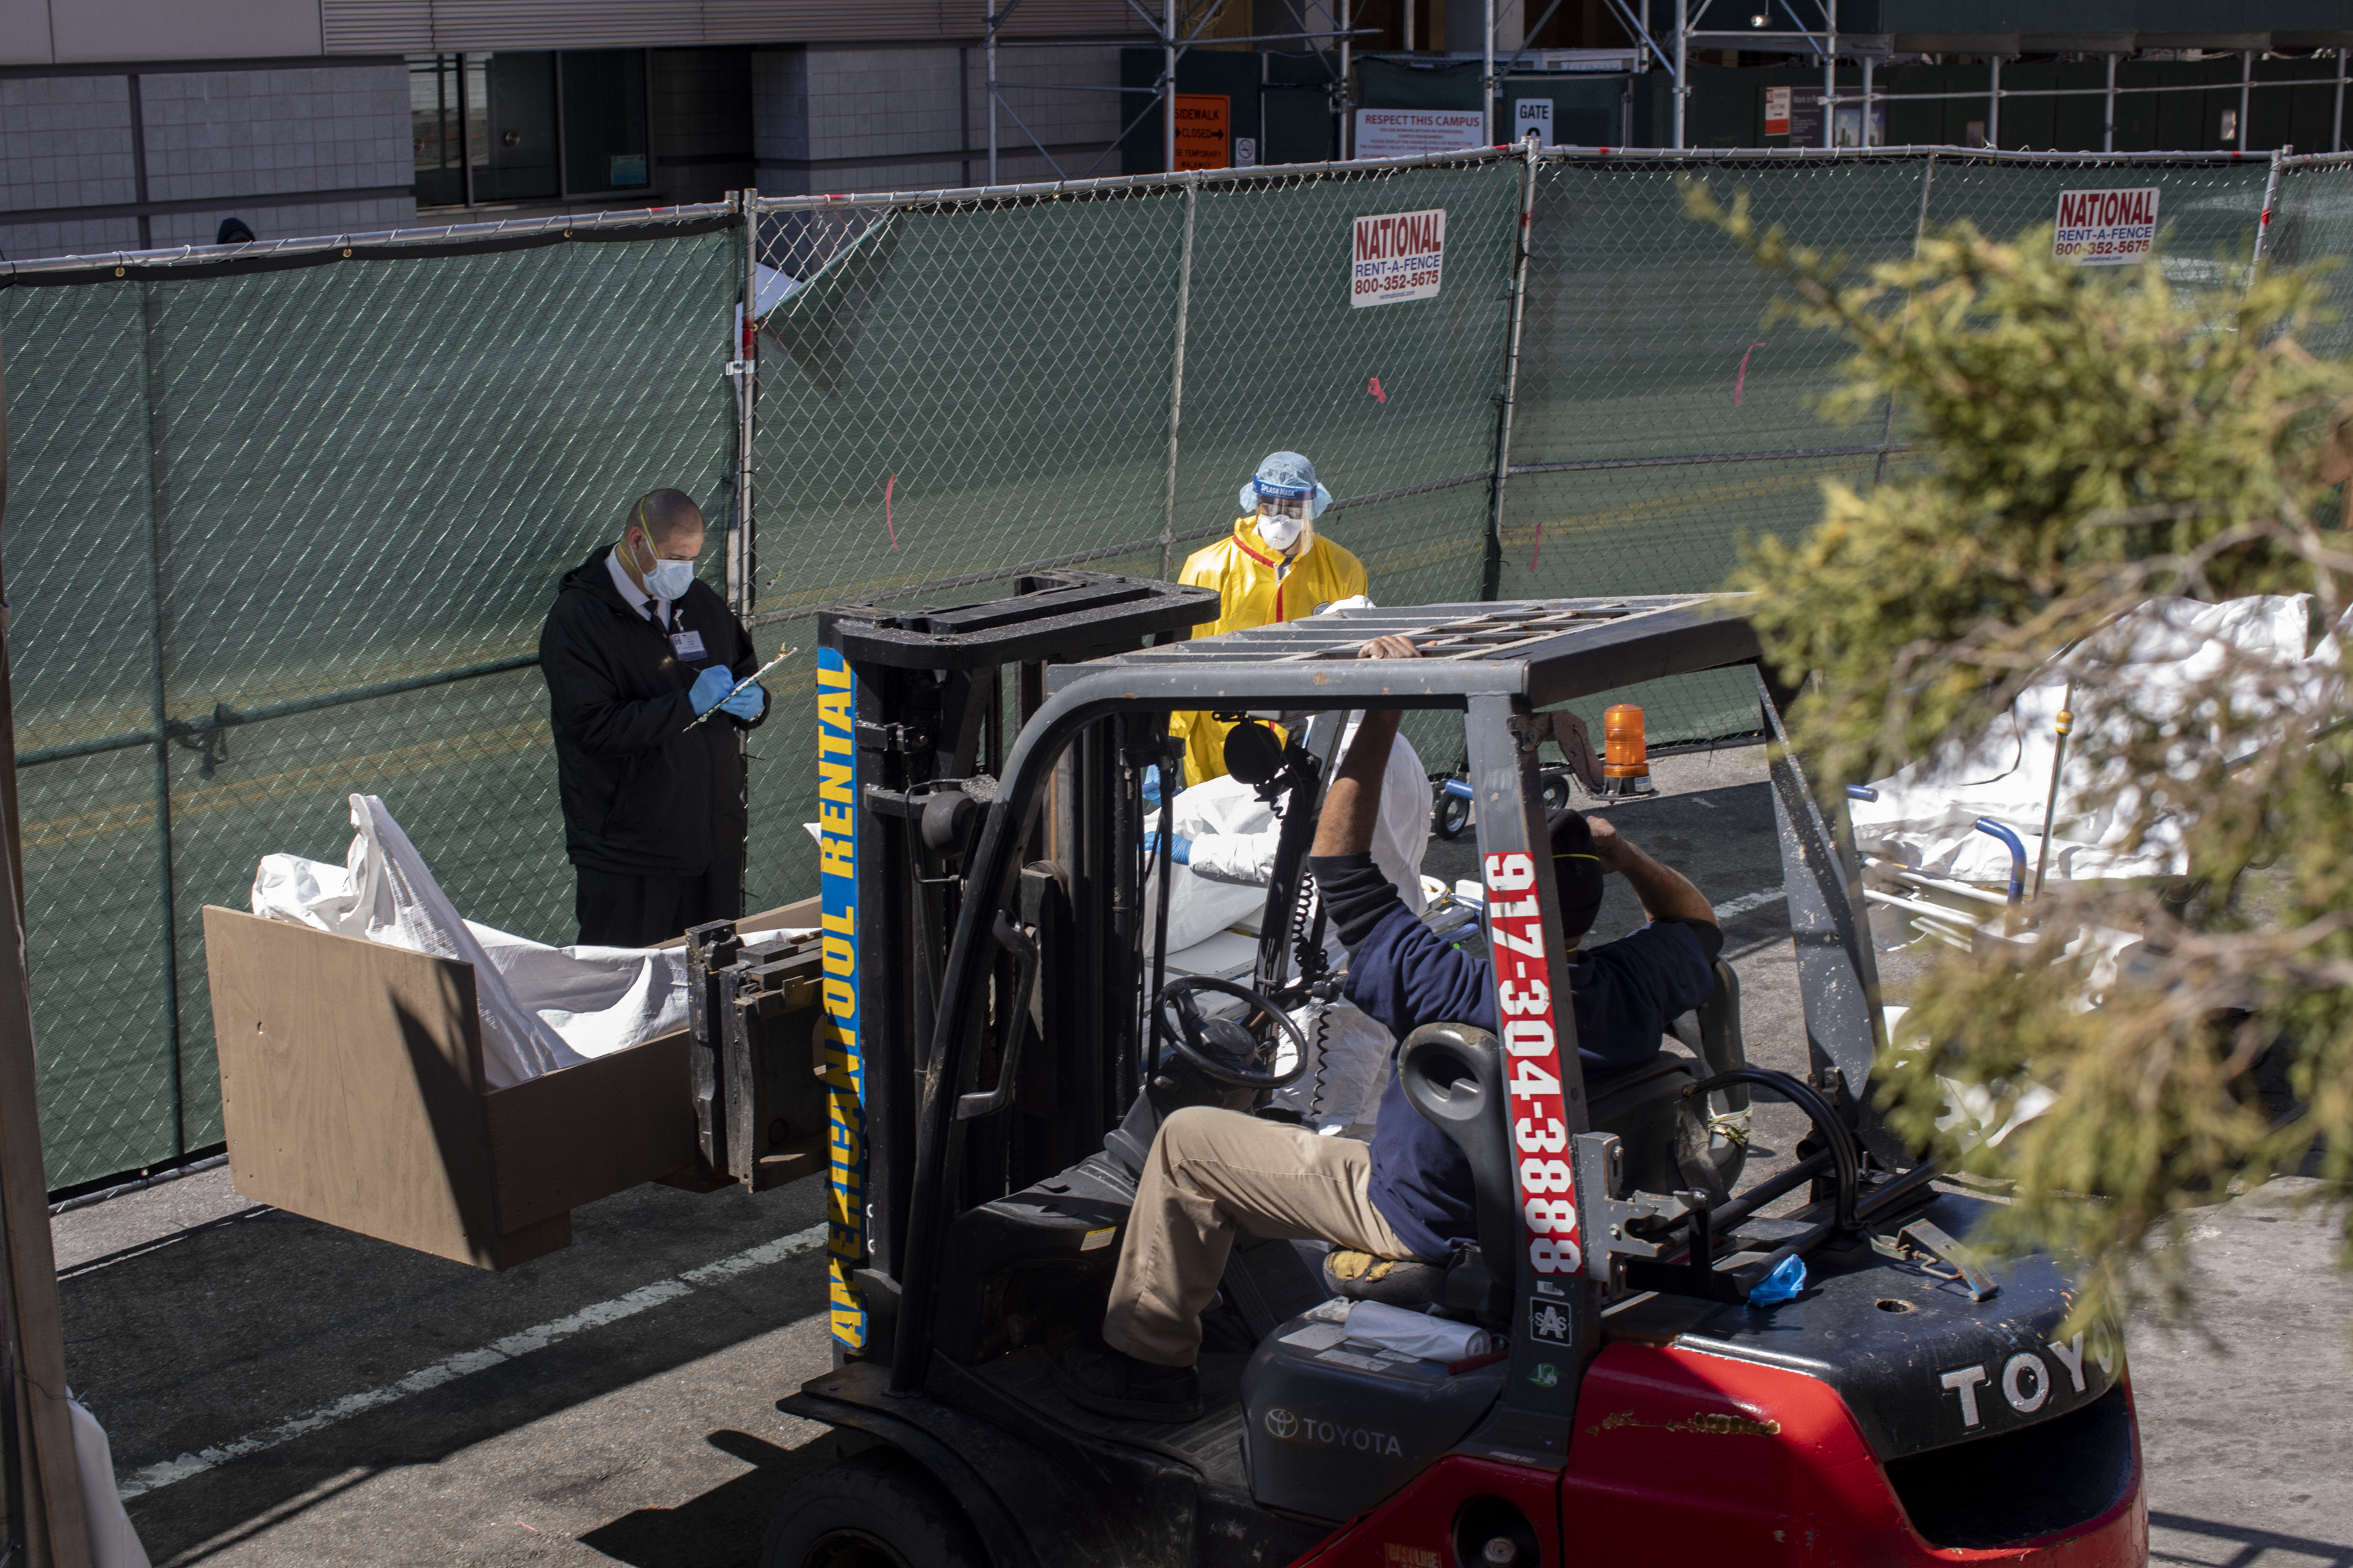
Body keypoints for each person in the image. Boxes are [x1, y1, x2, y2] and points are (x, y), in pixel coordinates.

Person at [1056, 636, 1721, 1421]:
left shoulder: (1460, 986)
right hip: (1528, 1207)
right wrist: (1616, 847)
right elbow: (1695, 922)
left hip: (1418, 1213)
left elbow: (1336, 865)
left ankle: (1146, 1362)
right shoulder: (1632, 983)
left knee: (1189, 1145)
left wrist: (1378, 706)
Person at [1146, 708, 1430, 1133]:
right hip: (1385, 935)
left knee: (1311, 1111)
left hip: (1337, 946)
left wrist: (1188, 849)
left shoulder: (1342, 752)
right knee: (1370, 1102)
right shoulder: (1391, 746)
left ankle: (1310, 1189)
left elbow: (1287, 857)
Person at [539, 489, 770, 947]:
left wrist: (757, 702)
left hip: (712, 842)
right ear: (637, 541)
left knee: (714, 982)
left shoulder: (700, 602)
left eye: (692, 558)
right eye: (673, 557)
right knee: (626, 988)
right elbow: (593, 725)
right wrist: (687, 705)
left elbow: (743, 668)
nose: (683, 570)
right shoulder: (579, 619)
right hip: (630, 853)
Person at [1169, 452, 1367, 787]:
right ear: (1254, 501)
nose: (1280, 518)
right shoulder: (1208, 568)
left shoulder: (1344, 569)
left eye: (1292, 508)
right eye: (1270, 505)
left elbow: (1350, 663)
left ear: (1311, 506)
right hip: (1222, 740)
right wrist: (1171, 736)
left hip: (1304, 740)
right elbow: (1184, 660)